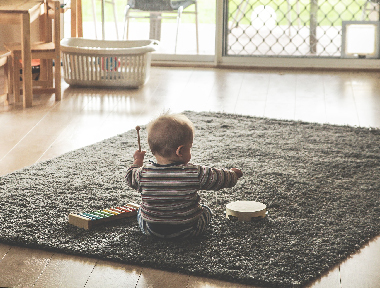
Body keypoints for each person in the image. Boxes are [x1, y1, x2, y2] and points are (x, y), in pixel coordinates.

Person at [126, 113, 243, 239]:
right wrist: (233, 174)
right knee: (206, 210)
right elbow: (218, 178)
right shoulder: (195, 172)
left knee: (140, 210)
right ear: (180, 151)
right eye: (190, 148)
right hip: (188, 230)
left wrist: (137, 161)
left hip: (151, 230)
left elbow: (129, 176)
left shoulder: (142, 173)